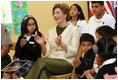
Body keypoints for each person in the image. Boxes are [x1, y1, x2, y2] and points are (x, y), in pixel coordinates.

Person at [25, 3, 80, 79]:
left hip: (66, 63)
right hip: (50, 63)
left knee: (41, 61)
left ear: (65, 14)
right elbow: (46, 53)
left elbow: (74, 51)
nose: (55, 15)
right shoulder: (51, 31)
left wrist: (61, 44)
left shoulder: (74, 30)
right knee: (43, 72)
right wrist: (42, 44)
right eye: (54, 13)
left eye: (57, 12)